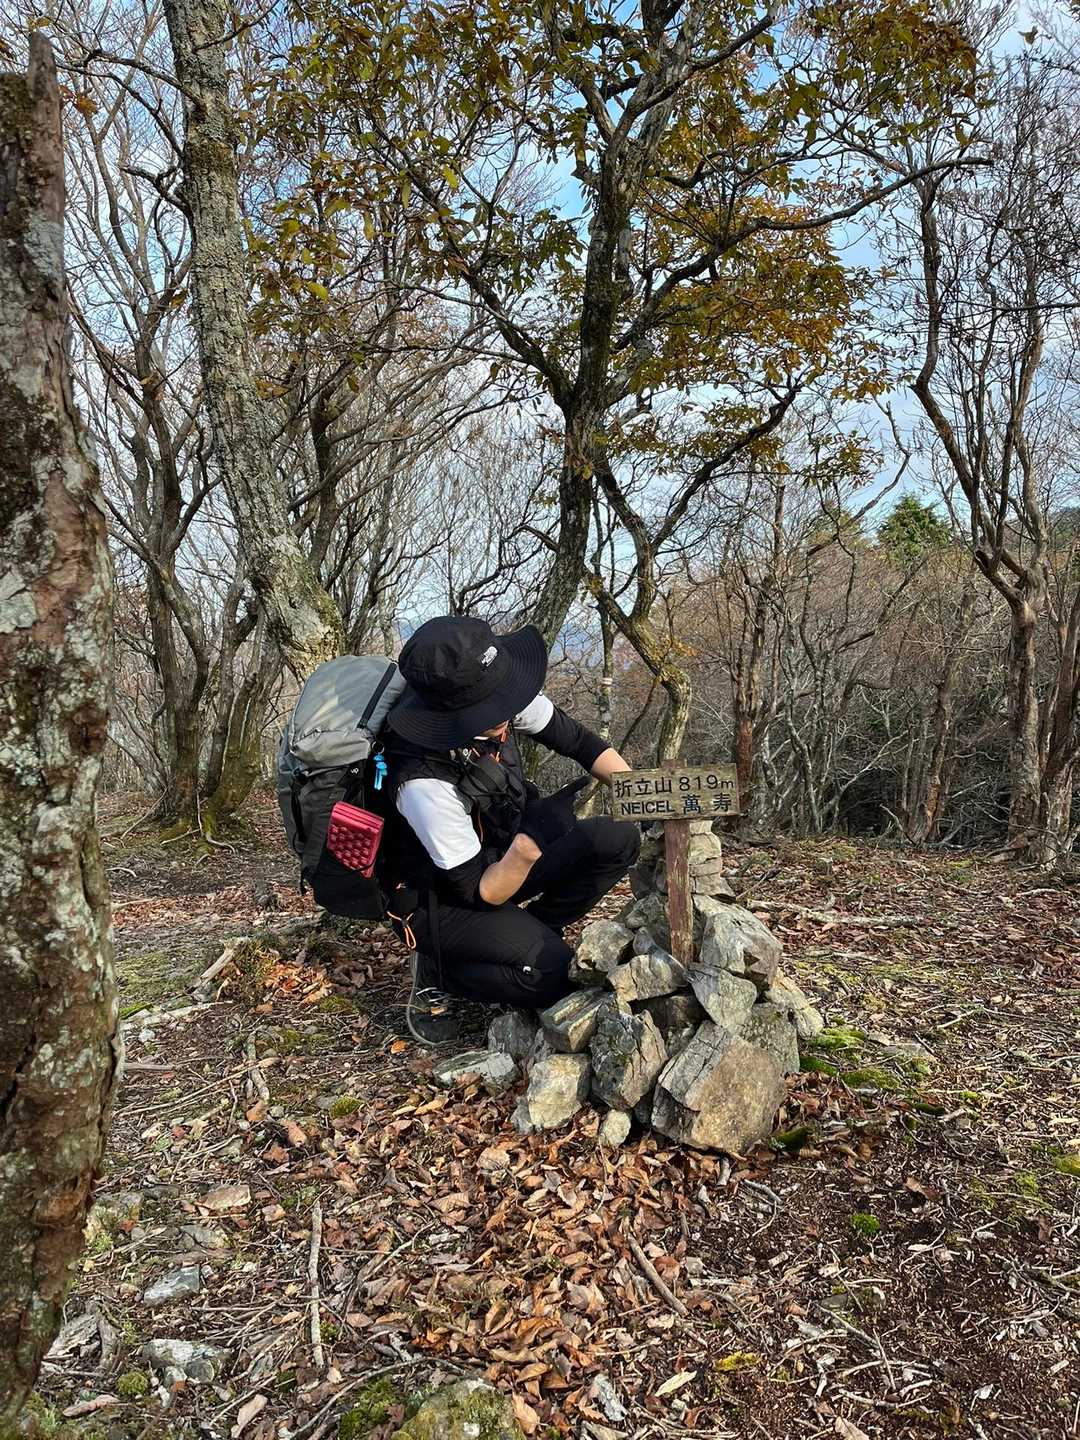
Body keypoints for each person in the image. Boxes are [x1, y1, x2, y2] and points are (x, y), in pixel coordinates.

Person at [379, 615, 639, 1042]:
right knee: (553, 974)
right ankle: (439, 968)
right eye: (486, 710)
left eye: (501, 700)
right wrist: (530, 841)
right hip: (439, 896)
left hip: (497, 856)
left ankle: (528, 931)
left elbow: (579, 742)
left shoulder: (498, 696)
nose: (502, 712)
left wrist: (644, 793)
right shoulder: (423, 781)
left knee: (617, 838)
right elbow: (480, 891)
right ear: (452, 712)